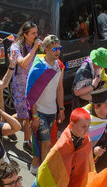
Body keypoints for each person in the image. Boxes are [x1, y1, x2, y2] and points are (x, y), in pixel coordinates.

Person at [28, 35, 65, 173]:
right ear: (46, 49)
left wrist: (61, 109)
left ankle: (35, 166)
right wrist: (35, 116)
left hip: (52, 111)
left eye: (59, 48)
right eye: (54, 48)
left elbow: (59, 88)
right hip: (40, 112)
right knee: (46, 143)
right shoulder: (38, 67)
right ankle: (43, 172)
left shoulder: (60, 65)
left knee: (45, 142)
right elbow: (31, 94)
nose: (57, 51)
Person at [9, 22, 41, 152]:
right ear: (25, 34)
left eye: (36, 32)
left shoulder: (35, 45)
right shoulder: (15, 47)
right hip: (20, 86)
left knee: (28, 115)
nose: (36, 35)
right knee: (24, 115)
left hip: (32, 83)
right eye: (33, 33)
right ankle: (7, 124)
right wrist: (34, 49)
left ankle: (26, 141)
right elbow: (22, 63)